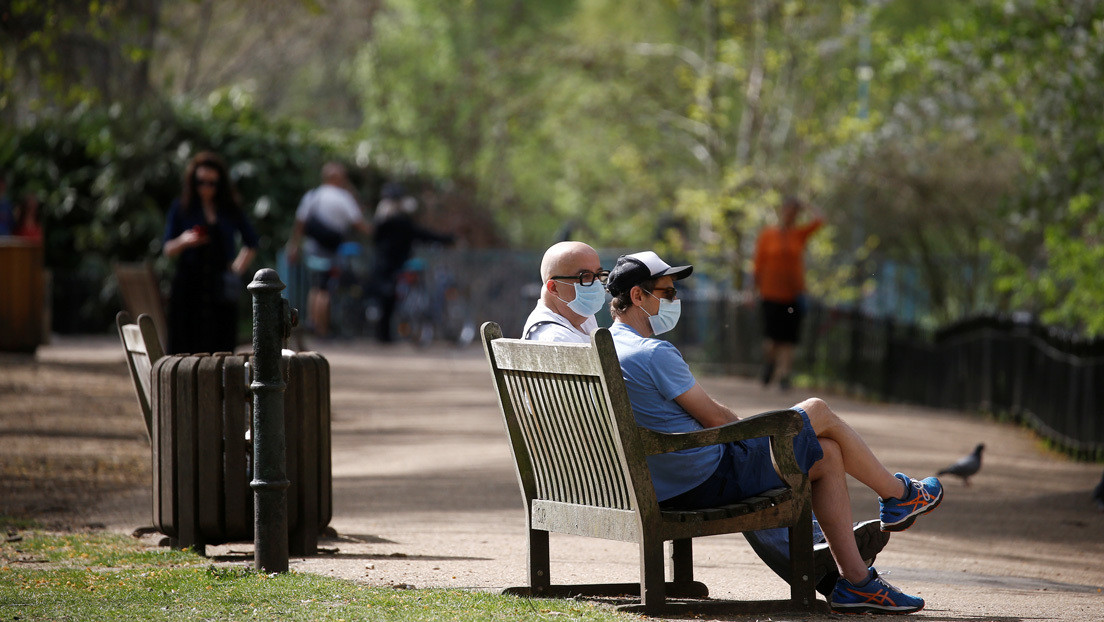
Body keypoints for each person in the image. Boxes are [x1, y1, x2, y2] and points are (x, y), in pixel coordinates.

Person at [523, 243, 889, 599]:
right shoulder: (559, 341)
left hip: (611, 476)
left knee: (816, 451)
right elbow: (706, 417)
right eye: (585, 277)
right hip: (649, 479)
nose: (596, 285)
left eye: (599, 275)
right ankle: (890, 502)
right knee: (808, 420)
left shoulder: (586, 332)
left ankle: (833, 561)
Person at [605, 250, 943, 614]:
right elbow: (718, 422)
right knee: (816, 410)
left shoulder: (610, 347)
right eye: (668, 293)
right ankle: (899, 495)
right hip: (703, 479)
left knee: (827, 452)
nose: (676, 300)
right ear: (638, 296)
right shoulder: (653, 353)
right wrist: (754, 430)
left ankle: (857, 583)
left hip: (659, 480)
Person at [162, 151, 259, 355]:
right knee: (185, 344)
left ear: (220, 184)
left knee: (221, 346)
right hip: (189, 287)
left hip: (219, 289)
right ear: (193, 181)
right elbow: (168, 248)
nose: (205, 187)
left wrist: (235, 270)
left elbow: (252, 242)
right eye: (201, 182)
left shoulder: (229, 209)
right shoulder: (182, 207)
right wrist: (185, 240)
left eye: (211, 183)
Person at [286, 162, 372, 339]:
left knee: (316, 286)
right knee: (325, 288)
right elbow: (359, 222)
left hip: (312, 248)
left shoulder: (312, 195)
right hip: (331, 250)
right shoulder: (343, 197)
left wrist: (294, 245)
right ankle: (321, 329)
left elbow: (300, 223)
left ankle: (312, 321)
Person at [753, 196, 824, 390]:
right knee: (772, 338)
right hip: (770, 294)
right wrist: (752, 291)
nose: (790, 215)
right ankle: (769, 365)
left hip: (794, 295)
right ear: (781, 211)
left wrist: (806, 204)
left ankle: (784, 375)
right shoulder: (767, 234)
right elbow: (757, 265)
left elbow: (820, 220)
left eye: (794, 212)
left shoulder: (799, 234)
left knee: (789, 339)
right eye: (787, 210)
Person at [369, 182, 454, 343]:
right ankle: (385, 336)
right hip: (390, 266)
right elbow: (421, 233)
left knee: (388, 300)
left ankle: (385, 336)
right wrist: (445, 239)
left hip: (385, 266)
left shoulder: (384, 220)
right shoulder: (396, 220)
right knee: (387, 300)